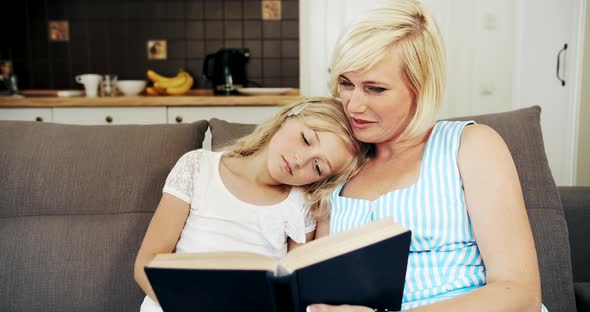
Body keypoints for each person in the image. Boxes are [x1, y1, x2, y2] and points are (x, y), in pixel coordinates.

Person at [308, 0, 547, 311]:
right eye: (346, 83)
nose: (353, 105)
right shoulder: (337, 162)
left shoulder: (471, 146)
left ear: (420, 89)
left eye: (375, 89)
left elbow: (520, 293)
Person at [133, 97, 369, 311]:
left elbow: (295, 289)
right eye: (305, 139)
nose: (300, 161)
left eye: (317, 167)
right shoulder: (198, 167)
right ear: (290, 115)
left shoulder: (300, 204)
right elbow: (147, 262)